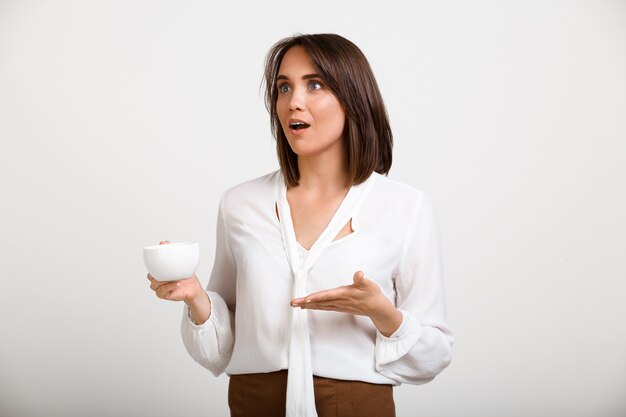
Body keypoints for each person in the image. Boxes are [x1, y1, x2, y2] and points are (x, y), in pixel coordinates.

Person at [148, 33, 453, 417]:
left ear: (353, 98)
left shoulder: (406, 207)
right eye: (283, 87)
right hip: (254, 403)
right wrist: (196, 298)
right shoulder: (240, 204)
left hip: (358, 406)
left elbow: (435, 353)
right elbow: (221, 350)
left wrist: (383, 314)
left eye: (315, 85)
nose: (294, 102)